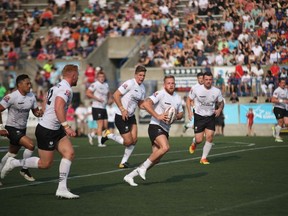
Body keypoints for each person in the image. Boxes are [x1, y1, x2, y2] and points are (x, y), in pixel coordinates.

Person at [1, 64, 80, 199]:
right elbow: (58, 107)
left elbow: (45, 102)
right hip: (47, 130)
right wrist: (66, 126)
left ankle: (62, 189)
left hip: (54, 128)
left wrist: (45, 113)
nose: (78, 77)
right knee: (45, 164)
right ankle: (14, 163)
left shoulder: (56, 86)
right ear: (73, 76)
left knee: (69, 153)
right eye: (77, 75)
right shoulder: (66, 90)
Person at [123, 75, 184, 186]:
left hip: (165, 130)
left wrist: (176, 116)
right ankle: (143, 168)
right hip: (155, 126)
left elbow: (181, 113)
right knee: (165, 147)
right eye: (169, 83)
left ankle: (130, 176)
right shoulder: (160, 93)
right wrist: (158, 115)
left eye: (173, 83)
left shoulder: (178, 98)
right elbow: (146, 104)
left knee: (156, 159)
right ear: (164, 84)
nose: (171, 85)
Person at [101, 65, 147, 169]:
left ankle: (123, 163)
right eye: (140, 75)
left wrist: (150, 107)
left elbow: (140, 104)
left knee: (134, 140)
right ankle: (108, 135)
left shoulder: (143, 88)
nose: (142, 77)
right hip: (120, 116)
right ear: (135, 75)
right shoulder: (130, 83)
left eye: (143, 75)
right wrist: (122, 109)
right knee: (128, 142)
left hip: (131, 116)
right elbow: (116, 95)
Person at [0, 74, 43, 182]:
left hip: (22, 129)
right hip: (11, 128)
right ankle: (24, 169)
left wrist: (39, 113)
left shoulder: (31, 96)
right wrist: (0, 127)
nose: (29, 85)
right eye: (27, 83)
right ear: (19, 85)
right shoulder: (12, 96)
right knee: (30, 146)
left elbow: (35, 111)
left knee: (12, 153)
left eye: (30, 83)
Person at [188, 71, 224, 164]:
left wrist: (219, 109)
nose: (208, 81)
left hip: (210, 117)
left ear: (212, 80)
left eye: (210, 79)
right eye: (206, 79)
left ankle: (203, 158)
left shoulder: (217, 91)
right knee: (199, 139)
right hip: (199, 116)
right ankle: (194, 143)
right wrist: (189, 112)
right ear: (203, 80)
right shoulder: (196, 89)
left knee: (210, 137)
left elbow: (221, 102)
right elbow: (189, 100)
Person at [86, 71, 110, 147]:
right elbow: (88, 93)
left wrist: (109, 100)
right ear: (97, 77)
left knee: (105, 126)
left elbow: (108, 93)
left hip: (103, 107)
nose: (102, 78)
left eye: (103, 77)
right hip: (96, 107)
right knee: (100, 124)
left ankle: (92, 134)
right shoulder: (94, 84)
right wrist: (97, 99)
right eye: (100, 77)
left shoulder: (106, 84)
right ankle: (100, 143)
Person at [271, 78, 288, 142]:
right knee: (280, 121)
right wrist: (282, 101)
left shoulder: (286, 90)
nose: (284, 84)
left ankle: (276, 128)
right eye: (282, 83)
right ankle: (277, 137)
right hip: (278, 108)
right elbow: (272, 100)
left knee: (286, 123)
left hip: (285, 108)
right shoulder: (277, 90)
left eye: (284, 83)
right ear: (279, 84)